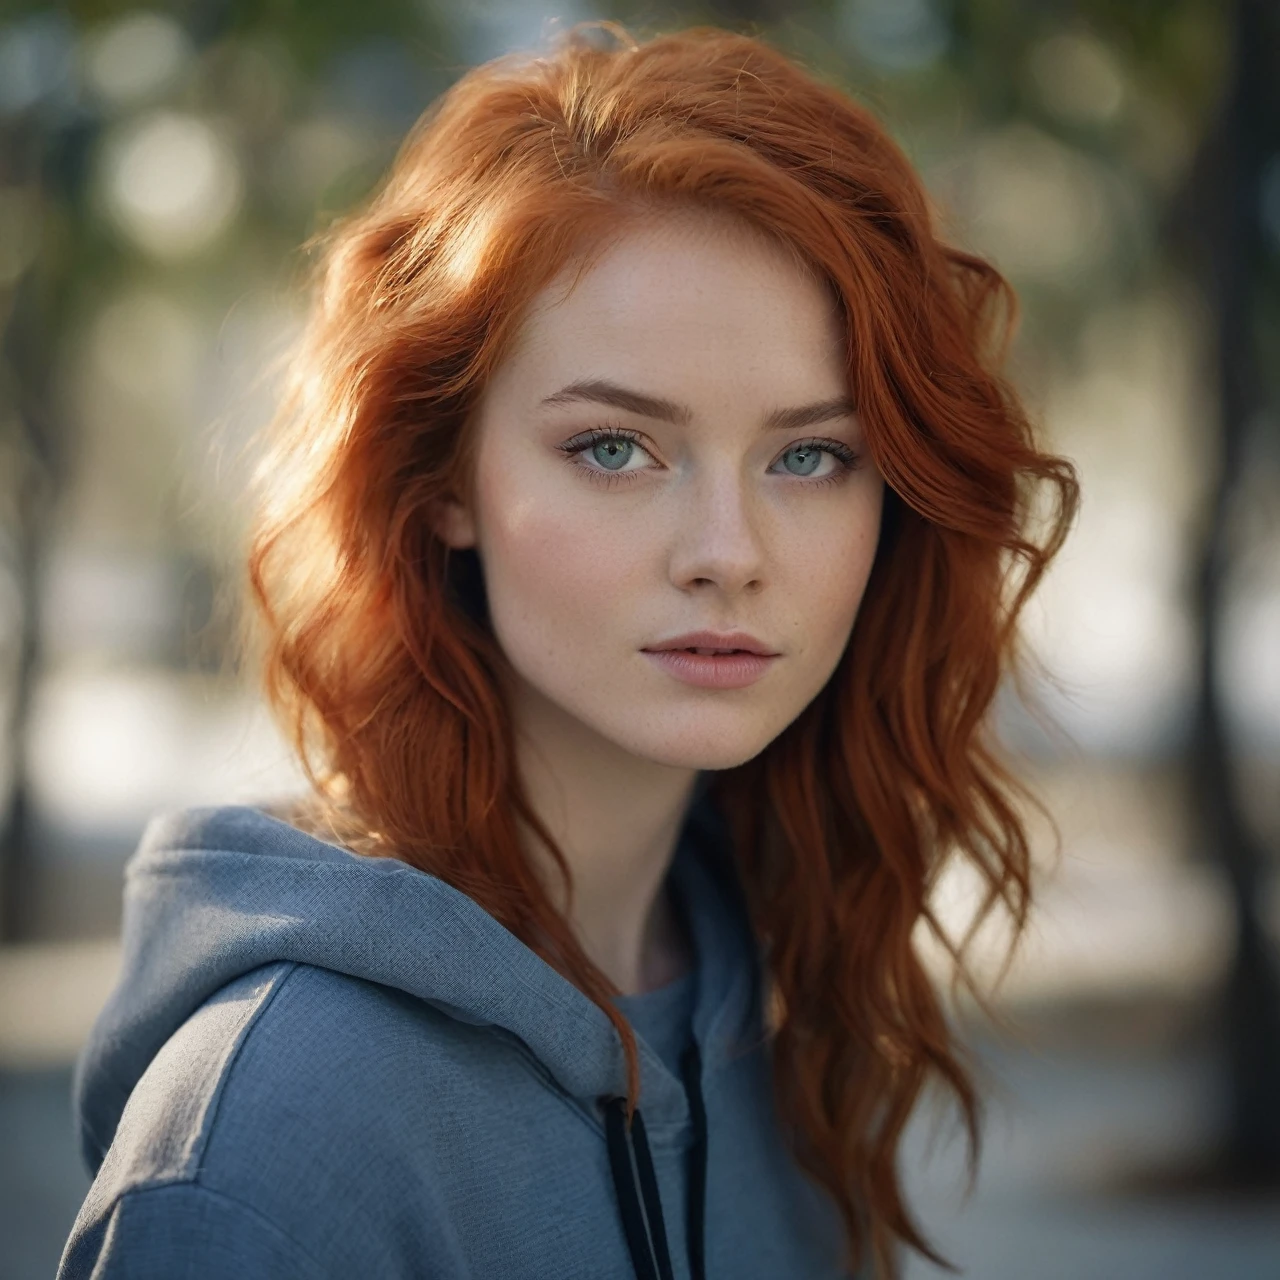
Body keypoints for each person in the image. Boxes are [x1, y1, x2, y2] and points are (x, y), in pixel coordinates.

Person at [57, 21, 1078, 1280]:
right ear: (441, 481)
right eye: (613, 446)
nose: (726, 549)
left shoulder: (770, 1001)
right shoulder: (273, 1137)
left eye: (808, 454)